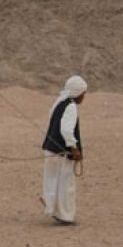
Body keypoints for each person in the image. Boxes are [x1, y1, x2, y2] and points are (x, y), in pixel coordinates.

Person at [41, 75, 87, 225]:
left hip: (50, 149)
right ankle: (65, 216)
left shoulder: (59, 103)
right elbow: (66, 130)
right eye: (83, 93)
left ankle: (53, 209)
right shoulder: (71, 106)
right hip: (62, 152)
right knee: (66, 184)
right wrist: (74, 148)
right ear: (78, 93)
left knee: (53, 181)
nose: (84, 96)